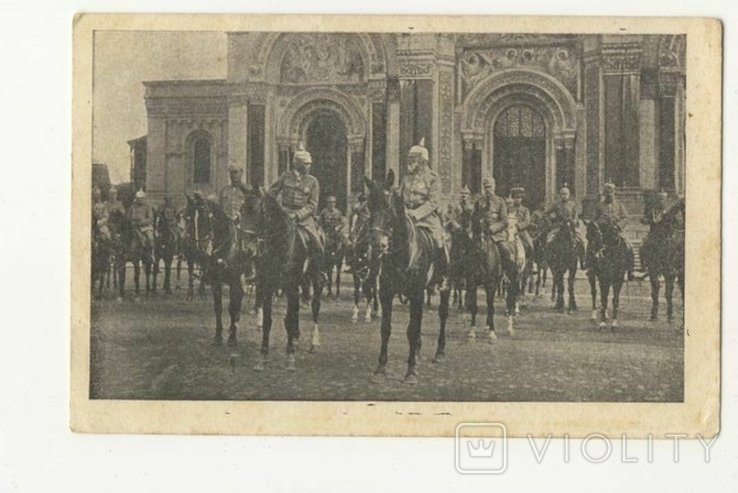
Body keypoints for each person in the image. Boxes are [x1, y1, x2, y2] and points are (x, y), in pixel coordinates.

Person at [399, 138, 449, 291]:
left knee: (438, 241)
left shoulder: (433, 178)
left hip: (426, 219)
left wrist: (416, 214)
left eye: (412, 159)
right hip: (406, 216)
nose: (409, 162)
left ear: (422, 160)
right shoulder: (406, 178)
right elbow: (401, 197)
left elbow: (433, 202)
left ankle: (442, 276)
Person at [269, 146, 324, 275]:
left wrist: (297, 215)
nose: (308, 166)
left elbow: (313, 205)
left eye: (309, 164)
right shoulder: (285, 177)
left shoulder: (313, 181)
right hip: (284, 215)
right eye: (305, 164)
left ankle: (318, 272)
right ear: (296, 164)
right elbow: (271, 193)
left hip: (304, 220)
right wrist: (280, 210)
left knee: (317, 244)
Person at [593, 180, 635, 280]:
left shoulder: (619, 204)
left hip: (617, 232)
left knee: (629, 246)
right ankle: (590, 267)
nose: (609, 193)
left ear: (614, 192)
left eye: (611, 191)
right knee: (592, 247)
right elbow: (594, 220)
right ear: (604, 192)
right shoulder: (599, 205)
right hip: (603, 232)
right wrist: (602, 222)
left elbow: (626, 218)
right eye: (607, 191)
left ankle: (630, 270)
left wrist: (618, 226)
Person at [544, 185, 586, 268]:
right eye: (562, 194)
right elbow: (546, 214)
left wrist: (574, 221)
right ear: (560, 195)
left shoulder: (572, 204)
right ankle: (546, 261)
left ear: (569, 195)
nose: (564, 196)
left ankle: (583, 261)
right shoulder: (556, 204)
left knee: (581, 241)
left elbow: (576, 216)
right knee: (549, 240)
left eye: (566, 194)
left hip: (570, 226)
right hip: (558, 226)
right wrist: (551, 221)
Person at [477, 177, 515, 266]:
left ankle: (507, 276)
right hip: (481, 235)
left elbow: (505, 221)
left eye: (489, 187)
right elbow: (475, 217)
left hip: (497, 236)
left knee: (506, 252)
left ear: (494, 187)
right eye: (485, 187)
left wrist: (493, 228)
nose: (487, 189)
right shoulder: (479, 202)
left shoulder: (500, 201)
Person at [128, 190, 156, 261]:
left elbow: (150, 219)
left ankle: (151, 253)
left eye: (141, 199)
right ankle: (129, 254)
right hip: (134, 227)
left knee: (150, 238)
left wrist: (141, 222)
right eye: (138, 199)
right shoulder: (132, 207)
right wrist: (131, 221)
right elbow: (128, 216)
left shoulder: (148, 207)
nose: (139, 200)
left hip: (145, 227)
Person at [508, 187, 534, 259]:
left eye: (519, 198)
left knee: (530, 245)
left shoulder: (525, 210)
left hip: (522, 232)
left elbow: (527, 221)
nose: (518, 199)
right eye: (516, 197)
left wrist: (519, 226)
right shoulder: (509, 209)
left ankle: (531, 263)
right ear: (513, 198)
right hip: (510, 231)